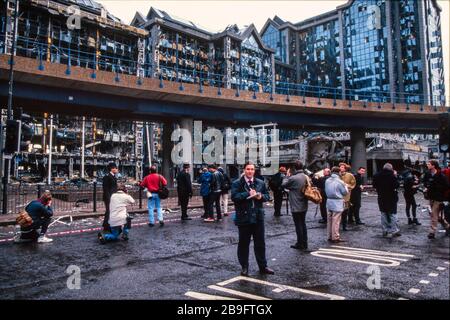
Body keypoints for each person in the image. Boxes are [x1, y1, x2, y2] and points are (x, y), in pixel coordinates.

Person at [231, 162, 273, 276]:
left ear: (254, 171)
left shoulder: (260, 182)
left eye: (252, 169)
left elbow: (267, 196)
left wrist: (261, 197)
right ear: (244, 170)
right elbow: (234, 197)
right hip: (244, 217)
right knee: (244, 244)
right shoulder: (237, 183)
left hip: (258, 216)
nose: (250, 171)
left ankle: (263, 266)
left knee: (260, 243)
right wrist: (247, 193)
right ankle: (244, 267)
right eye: (248, 169)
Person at [281, 161, 309, 250]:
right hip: (304, 203)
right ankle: (305, 242)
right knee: (303, 223)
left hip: (296, 204)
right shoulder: (305, 176)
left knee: (298, 224)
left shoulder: (293, 178)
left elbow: (283, 184)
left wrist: (286, 176)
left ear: (294, 168)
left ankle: (300, 243)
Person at [422, 160, 450, 239]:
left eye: (429, 164)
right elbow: (424, 182)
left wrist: (436, 188)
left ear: (433, 166)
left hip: (438, 198)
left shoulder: (441, 175)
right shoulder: (427, 174)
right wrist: (426, 187)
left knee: (433, 214)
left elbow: (447, 186)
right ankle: (447, 225)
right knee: (438, 216)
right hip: (431, 197)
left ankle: (432, 232)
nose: (427, 165)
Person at [373, 163, 401, 238]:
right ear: (391, 168)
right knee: (392, 214)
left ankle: (385, 230)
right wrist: (395, 176)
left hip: (381, 197)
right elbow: (397, 185)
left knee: (383, 213)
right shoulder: (392, 175)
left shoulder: (377, 175)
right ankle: (393, 230)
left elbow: (374, 186)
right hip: (391, 197)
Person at [325, 167, 349, 243]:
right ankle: (335, 237)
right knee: (336, 220)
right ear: (338, 172)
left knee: (329, 220)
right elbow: (345, 192)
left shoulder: (327, 180)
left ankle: (329, 236)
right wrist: (346, 186)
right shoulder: (340, 182)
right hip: (337, 202)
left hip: (329, 201)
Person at [401, 160, 421, 225]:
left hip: (406, 193)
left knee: (408, 205)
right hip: (409, 193)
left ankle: (410, 219)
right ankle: (414, 219)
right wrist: (417, 185)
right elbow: (412, 185)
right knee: (413, 205)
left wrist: (415, 182)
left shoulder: (406, 174)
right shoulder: (409, 176)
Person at [339, 163, 356, 231]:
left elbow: (353, 184)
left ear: (345, 168)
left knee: (345, 211)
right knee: (338, 211)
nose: (341, 168)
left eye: (342, 167)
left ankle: (344, 225)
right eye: (340, 167)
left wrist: (347, 185)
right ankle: (338, 225)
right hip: (338, 196)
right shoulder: (337, 175)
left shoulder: (350, 175)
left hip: (346, 196)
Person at [102, 163, 118, 231]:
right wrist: (109, 199)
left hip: (113, 197)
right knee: (108, 211)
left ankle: (107, 224)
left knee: (110, 211)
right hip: (109, 197)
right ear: (112, 169)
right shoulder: (107, 177)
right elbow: (106, 189)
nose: (117, 169)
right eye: (116, 168)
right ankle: (106, 226)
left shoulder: (113, 176)